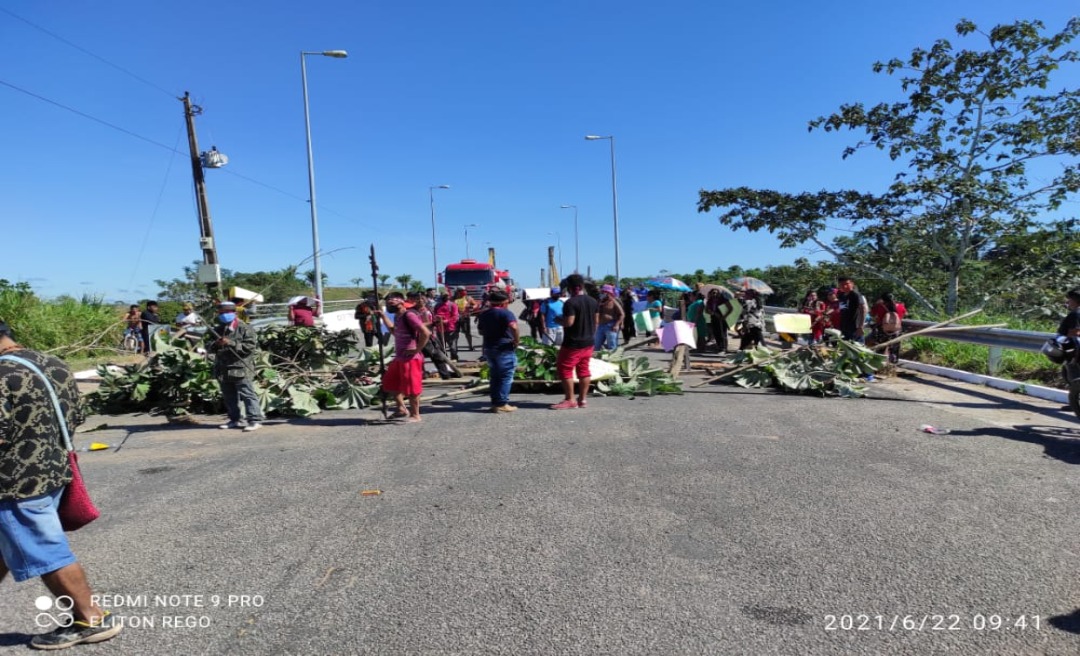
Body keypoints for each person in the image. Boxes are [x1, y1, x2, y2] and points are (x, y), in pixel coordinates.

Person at [0, 321, 123, 649]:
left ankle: (90, 618)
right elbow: (76, 416)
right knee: (8, 543)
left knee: (43, 547)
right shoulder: (52, 363)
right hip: (53, 471)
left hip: (12, 483)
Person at [206, 301, 265, 432]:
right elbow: (208, 346)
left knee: (247, 394)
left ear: (235, 312)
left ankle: (255, 420)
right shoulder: (217, 329)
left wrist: (231, 343)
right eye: (221, 313)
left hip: (240, 367)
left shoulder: (245, 328)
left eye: (227, 312)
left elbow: (249, 348)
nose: (224, 315)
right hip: (223, 368)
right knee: (228, 396)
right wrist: (216, 344)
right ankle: (235, 419)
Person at [379, 292, 430, 422]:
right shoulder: (397, 316)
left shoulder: (410, 315)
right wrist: (383, 316)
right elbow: (394, 331)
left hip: (411, 358)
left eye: (391, 303)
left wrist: (417, 349)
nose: (389, 306)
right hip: (400, 357)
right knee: (391, 384)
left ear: (401, 303)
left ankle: (415, 415)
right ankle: (401, 408)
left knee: (412, 388)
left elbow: (426, 332)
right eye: (387, 304)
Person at [551, 274, 598, 410]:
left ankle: (570, 399)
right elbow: (596, 321)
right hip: (588, 341)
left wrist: (558, 320)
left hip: (573, 343)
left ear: (572, 288)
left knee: (565, 369)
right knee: (583, 370)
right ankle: (582, 400)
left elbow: (569, 322)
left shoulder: (571, 303)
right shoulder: (593, 301)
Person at [477, 290, 519, 412]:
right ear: (504, 302)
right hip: (504, 348)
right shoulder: (506, 313)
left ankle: (495, 403)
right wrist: (516, 340)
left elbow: (480, 331)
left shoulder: (484, 314)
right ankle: (502, 403)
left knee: (495, 376)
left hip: (489, 348)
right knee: (506, 376)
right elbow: (514, 327)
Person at [870, 292, 907, 363]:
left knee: (880, 349)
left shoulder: (879, 306)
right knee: (894, 350)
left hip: (882, 331)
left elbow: (872, 314)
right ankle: (892, 367)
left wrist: (876, 304)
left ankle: (878, 365)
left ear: (882, 299)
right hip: (896, 331)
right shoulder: (900, 306)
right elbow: (905, 314)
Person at [595, 285, 625, 351]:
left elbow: (622, 314)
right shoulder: (599, 302)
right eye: (602, 292)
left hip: (611, 326)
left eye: (604, 292)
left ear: (608, 293)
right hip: (600, 326)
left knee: (612, 347)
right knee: (596, 346)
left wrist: (617, 325)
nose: (602, 293)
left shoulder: (613, 302)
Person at [836, 276, 866, 342]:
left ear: (852, 283)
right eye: (842, 285)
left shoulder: (856, 295)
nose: (844, 286)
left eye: (847, 284)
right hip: (844, 328)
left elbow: (863, 310)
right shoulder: (842, 296)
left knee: (858, 349)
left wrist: (861, 326)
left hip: (855, 328)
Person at [433, 292, 459, 360]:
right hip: (440, 328)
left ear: (449, 296)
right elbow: (434, 315)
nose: (445, 297)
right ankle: (445, 359)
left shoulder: (452, 305)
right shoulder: (437, 305)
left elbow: (455, 317)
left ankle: (454, 358)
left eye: (446, 296)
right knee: (442, 345)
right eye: (444, 296)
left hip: (450, 328)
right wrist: (436, 321)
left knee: (452, 346)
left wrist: (446, 321)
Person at [706, 289, 732, 353]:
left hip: (721, 318)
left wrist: (724, 316)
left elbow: (730, 308)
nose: (714, 294)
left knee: (722, 333)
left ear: (719, 293)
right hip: (714, 317)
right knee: (716, 333)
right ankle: (719, 347)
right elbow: (706, 310)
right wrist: (711, 312)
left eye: (716, 293)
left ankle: (724, 348)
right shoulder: (709, 301)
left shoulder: (723, 300)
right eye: (713, 293)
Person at [453, 288, 479, 352]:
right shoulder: (453, 298)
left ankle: (470, 346)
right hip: (455, 319)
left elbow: (475, 304)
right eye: (461, 291)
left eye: (464, 291)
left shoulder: (468, 298)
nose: (463, 292)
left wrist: (472, 307)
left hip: (465, 318)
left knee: (467, 333)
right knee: (455, 333)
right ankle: (454, 348)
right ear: (458, 292)